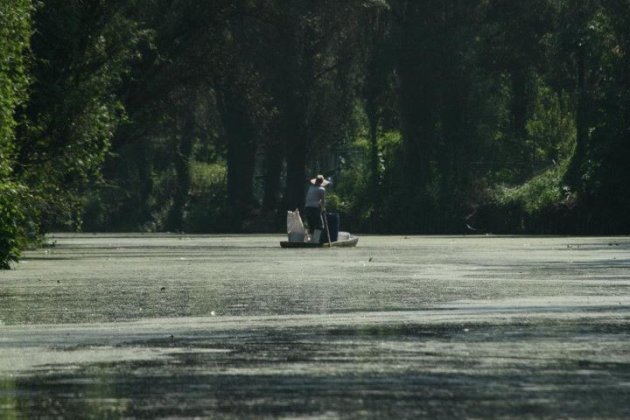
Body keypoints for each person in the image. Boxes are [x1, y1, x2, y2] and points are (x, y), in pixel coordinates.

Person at [304, 174, 329, 242]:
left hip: (307, 208)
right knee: (320, 226)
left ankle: (311, 240)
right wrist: (323, 209)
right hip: (314, 208)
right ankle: (315, 241)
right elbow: (323, 201)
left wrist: (320, 203)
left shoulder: (310, 188)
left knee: (311, 225)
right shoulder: (322, 189)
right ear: (321, 182)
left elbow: (313, 199)